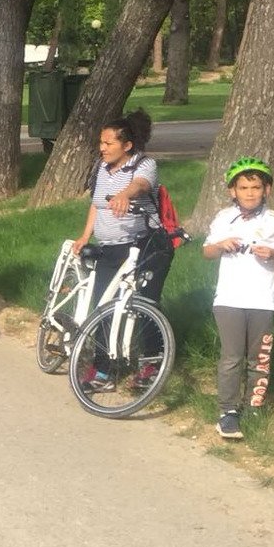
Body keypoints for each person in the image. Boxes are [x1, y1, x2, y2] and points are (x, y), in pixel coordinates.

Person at [71, 109, 173, 391]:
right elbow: (96, 204)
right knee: (103, 305)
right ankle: (104, 371)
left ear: (126, 146)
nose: (102, 148)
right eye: (101, 143)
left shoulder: (143, 164)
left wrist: (124, 194)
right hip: (110, 249)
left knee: (143, 305)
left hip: (144, 246)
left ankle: (150, 365)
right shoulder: (101, 168)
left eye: (108, 143)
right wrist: (84, 235)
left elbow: (141, 186)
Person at [203, 157, 274, 440]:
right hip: (229, 299)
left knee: (259, 358)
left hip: (263, 300)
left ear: (266, 189)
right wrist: (220, 245)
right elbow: (207, 251)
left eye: (256, 187)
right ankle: (227, 412)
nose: (250, 192)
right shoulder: (223, 218)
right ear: (233, 191)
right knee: (231, 357)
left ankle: (253, 406)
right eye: (244, 187)